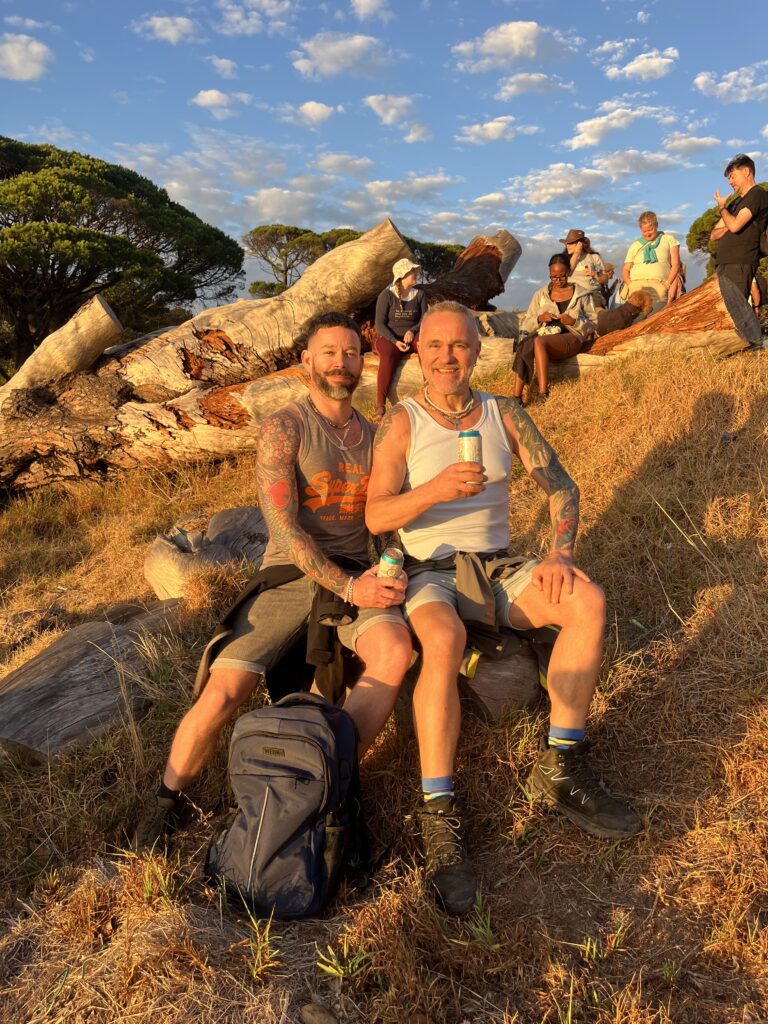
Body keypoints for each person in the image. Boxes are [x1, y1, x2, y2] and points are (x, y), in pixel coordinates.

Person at [366, 301, 640, 916]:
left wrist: (560, 555)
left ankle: (562, 765)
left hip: (494, 566)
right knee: (441, 642)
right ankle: (440, 818)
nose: (446, 357)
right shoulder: (402, 422)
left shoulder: (504, 412)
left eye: (459, 345)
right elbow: (375, 514)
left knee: (587, 601)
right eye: (434, 345)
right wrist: (435, 489)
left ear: (476, 351)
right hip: (428, 570)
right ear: (418, 351)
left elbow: (561, 486)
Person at [134, 311, 413, 849]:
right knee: (224, 690)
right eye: (328, 352)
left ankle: (331, 788)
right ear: (306, 361)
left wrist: (390, 567)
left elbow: (386, 522)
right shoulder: (286, 426)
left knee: (394, 653)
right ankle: (165, 800)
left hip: (358, 573)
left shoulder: (375, 437)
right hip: (289, 576)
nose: (340, 363)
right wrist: (350, 588)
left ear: (364, 361)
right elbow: (285, 526)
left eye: (351, 353)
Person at [513, 253, 596, 403]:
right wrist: (539, 318)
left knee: (539, 342)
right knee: (525, 345)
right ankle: (516, 397)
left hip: (571, 336)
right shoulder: (541, 294)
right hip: (546, 333)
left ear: (569, 272)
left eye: (562, 276)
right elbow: (526, 322)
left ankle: (543, 393)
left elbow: (594, 324)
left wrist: (574, 322)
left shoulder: (582, 294)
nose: (558, 281)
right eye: (553, 276)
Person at [373, 258, 428, 422]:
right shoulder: (386, 295)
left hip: (413, 336)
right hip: (389, 337)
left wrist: (412, 330)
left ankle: (430, 391)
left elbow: (425, 319)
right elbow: (380, 324)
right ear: (402, 275)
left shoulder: (420, 295)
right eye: (412, 272)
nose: (416, 274)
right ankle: (380, 405)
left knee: (425, 345)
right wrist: (394, 341)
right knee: (388, 355)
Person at [710, 153, 768, 301]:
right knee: (722, 313)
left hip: (740, 263)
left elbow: (735, 226)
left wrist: (722, 209)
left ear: (746, 172)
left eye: (732, 176)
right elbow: (714, 235)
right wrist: (728, 223)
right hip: (723, 264)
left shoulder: (758, 194)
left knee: (736, 312)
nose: (730, 181)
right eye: (728, 178)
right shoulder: (734, 203)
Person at [621, 212, 683, 310]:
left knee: (656, 318)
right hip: (636, 288)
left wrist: (667, 284)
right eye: (644, 231)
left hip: (659, 287)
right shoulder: (635, 245)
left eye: (650, 230)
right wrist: (630, 284)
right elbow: (625, 269)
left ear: (656, 225)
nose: (647, 233)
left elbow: (675, 265)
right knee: (635, 321)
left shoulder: (668, 239)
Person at [561, 228, 611, 308]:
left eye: (570, 243)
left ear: (580, 243)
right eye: (566, 243)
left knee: (599, 312)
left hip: (592, 295)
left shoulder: (594, 257)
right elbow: (566, 273)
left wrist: (595, 274)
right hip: (572, 296)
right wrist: (577, 253)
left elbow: (605, 280)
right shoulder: (564, 259)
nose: (567, 246)